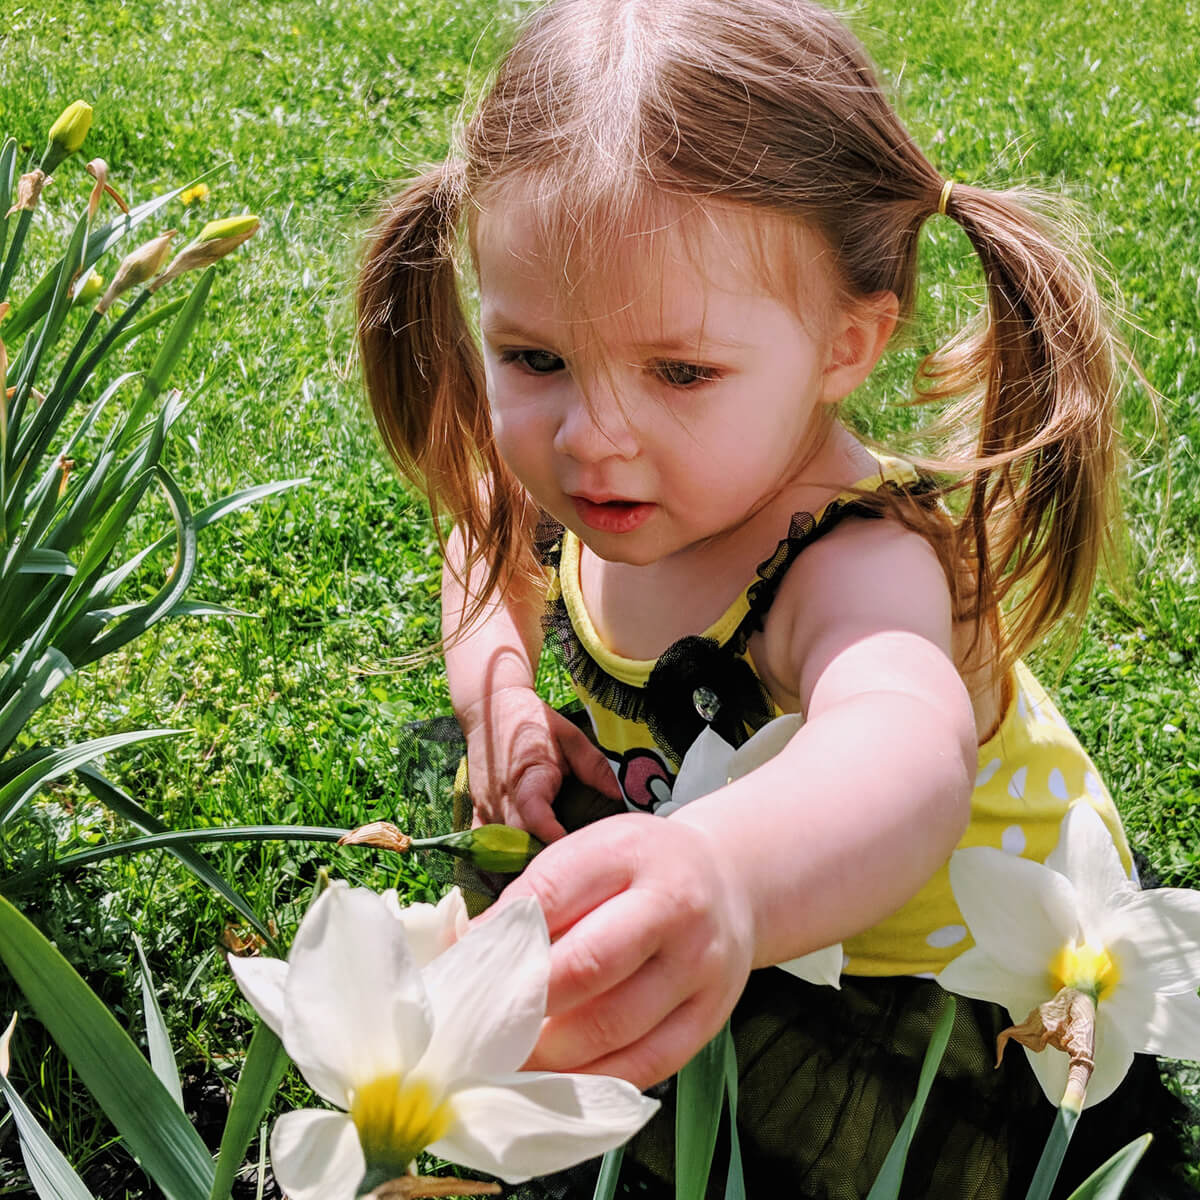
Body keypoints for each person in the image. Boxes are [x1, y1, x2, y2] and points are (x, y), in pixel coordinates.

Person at [355, 1, 1192, 1195]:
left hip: (917, 976)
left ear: (846, 347)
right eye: (536, 358)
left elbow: (901, 756)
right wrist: (493, 690)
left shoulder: (853, 561)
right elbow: (485, 545)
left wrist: (730, 881)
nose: (593, 441)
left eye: (680, 371)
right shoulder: (580, 470)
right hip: (706, 863)